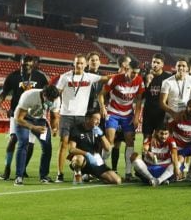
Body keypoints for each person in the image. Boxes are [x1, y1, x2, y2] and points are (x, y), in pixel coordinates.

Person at [0, 55, 48, 181]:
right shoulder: (13, 76)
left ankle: (23, 169)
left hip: (34, 115)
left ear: (33, 64)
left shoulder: (40, 76)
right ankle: (7, 169)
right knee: (13, 139)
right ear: (20, 64)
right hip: (16, 113)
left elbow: (48, 91)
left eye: (28, 64)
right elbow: (4, 92)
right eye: (23, 64)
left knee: (30, 144)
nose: (26, 67)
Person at [55, 54, 108, 183]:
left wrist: (122, 75)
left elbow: (106, 78)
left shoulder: (90, 77)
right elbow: (57, 94)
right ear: (74, 63)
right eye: (77, 63)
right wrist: (56, 114)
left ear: (86, 65)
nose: (79, 65)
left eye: (81, 63)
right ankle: (60, 174)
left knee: (83, 145)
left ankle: (82, 171)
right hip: (66, 115)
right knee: (64, 144)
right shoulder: (65, 77)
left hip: (81, 116)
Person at [98, 60, 145, 181]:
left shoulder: (139, 81)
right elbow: (101, 94)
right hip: (113, 112)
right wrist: (103, 107)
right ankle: (101, 170)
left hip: (128, 114)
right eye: (132, 72)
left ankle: (128, 173)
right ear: (126, 69)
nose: (134, 75)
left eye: (137, 73)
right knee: (109, 141)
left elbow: (139, 100)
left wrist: (136, 117)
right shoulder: (115, 79)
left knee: (130, 141)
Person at [12, 85, 61, 185]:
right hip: (23, 119)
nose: (51, 101)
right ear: (43, 94)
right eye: (49, 99)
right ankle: (19, 177)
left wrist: (54, 128)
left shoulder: (56, 99)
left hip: (39, 120)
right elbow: (18, 118)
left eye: (53, 99)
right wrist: (33, 127)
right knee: (24, 143)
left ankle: (44, 176)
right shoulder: (28, 95)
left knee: (47, 146)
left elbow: (54, 116)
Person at [68, 111, 121, 185]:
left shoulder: (98, 130)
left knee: (117, 181)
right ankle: (77, 175)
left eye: (99, 119)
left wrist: (102, 135)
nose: (98, 122)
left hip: (96, 162)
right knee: (78, 159)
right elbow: (71, 149)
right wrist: (87, 154)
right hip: (84, 161)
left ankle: (90, 176)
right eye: (96, 119)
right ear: (88, 119)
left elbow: (108, 148)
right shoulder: (76, 129)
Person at [142, 53, 173, 139]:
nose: (155, 64)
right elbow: (141, 96)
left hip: (161, 114)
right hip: (148, 112)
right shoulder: (145, 77)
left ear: (162, 64)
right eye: (154, 62)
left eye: (158, 63)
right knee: (146, 138)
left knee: (159, 139)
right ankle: (146, 153)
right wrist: (147, 83)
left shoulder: (168, 78)